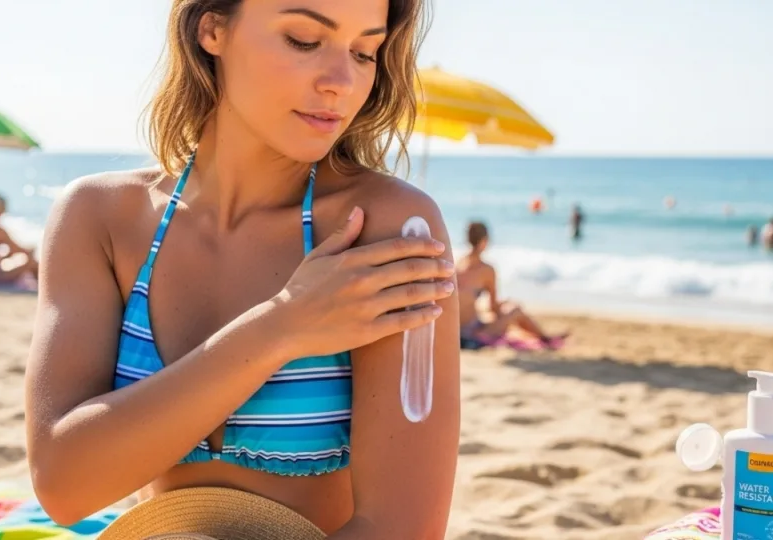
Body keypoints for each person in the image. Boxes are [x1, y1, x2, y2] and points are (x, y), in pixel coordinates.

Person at [24, 1, 460, 538]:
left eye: (365, 52)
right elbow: (62, 485)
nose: (341, 82)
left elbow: (402, 528)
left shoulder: (389, 228)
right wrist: (282, 326)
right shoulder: (99, 217)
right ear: (213, 28)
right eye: (303, 40)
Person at [456, 221, 567, 349]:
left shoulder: (458, 264)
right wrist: (504, 305)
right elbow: (494, 309)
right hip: (471, 335)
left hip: (455, 331)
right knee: (515, 310)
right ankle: (545, 339)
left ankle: (544, 337)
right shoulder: (486, 270)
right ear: (484, 241)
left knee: (504, 312)